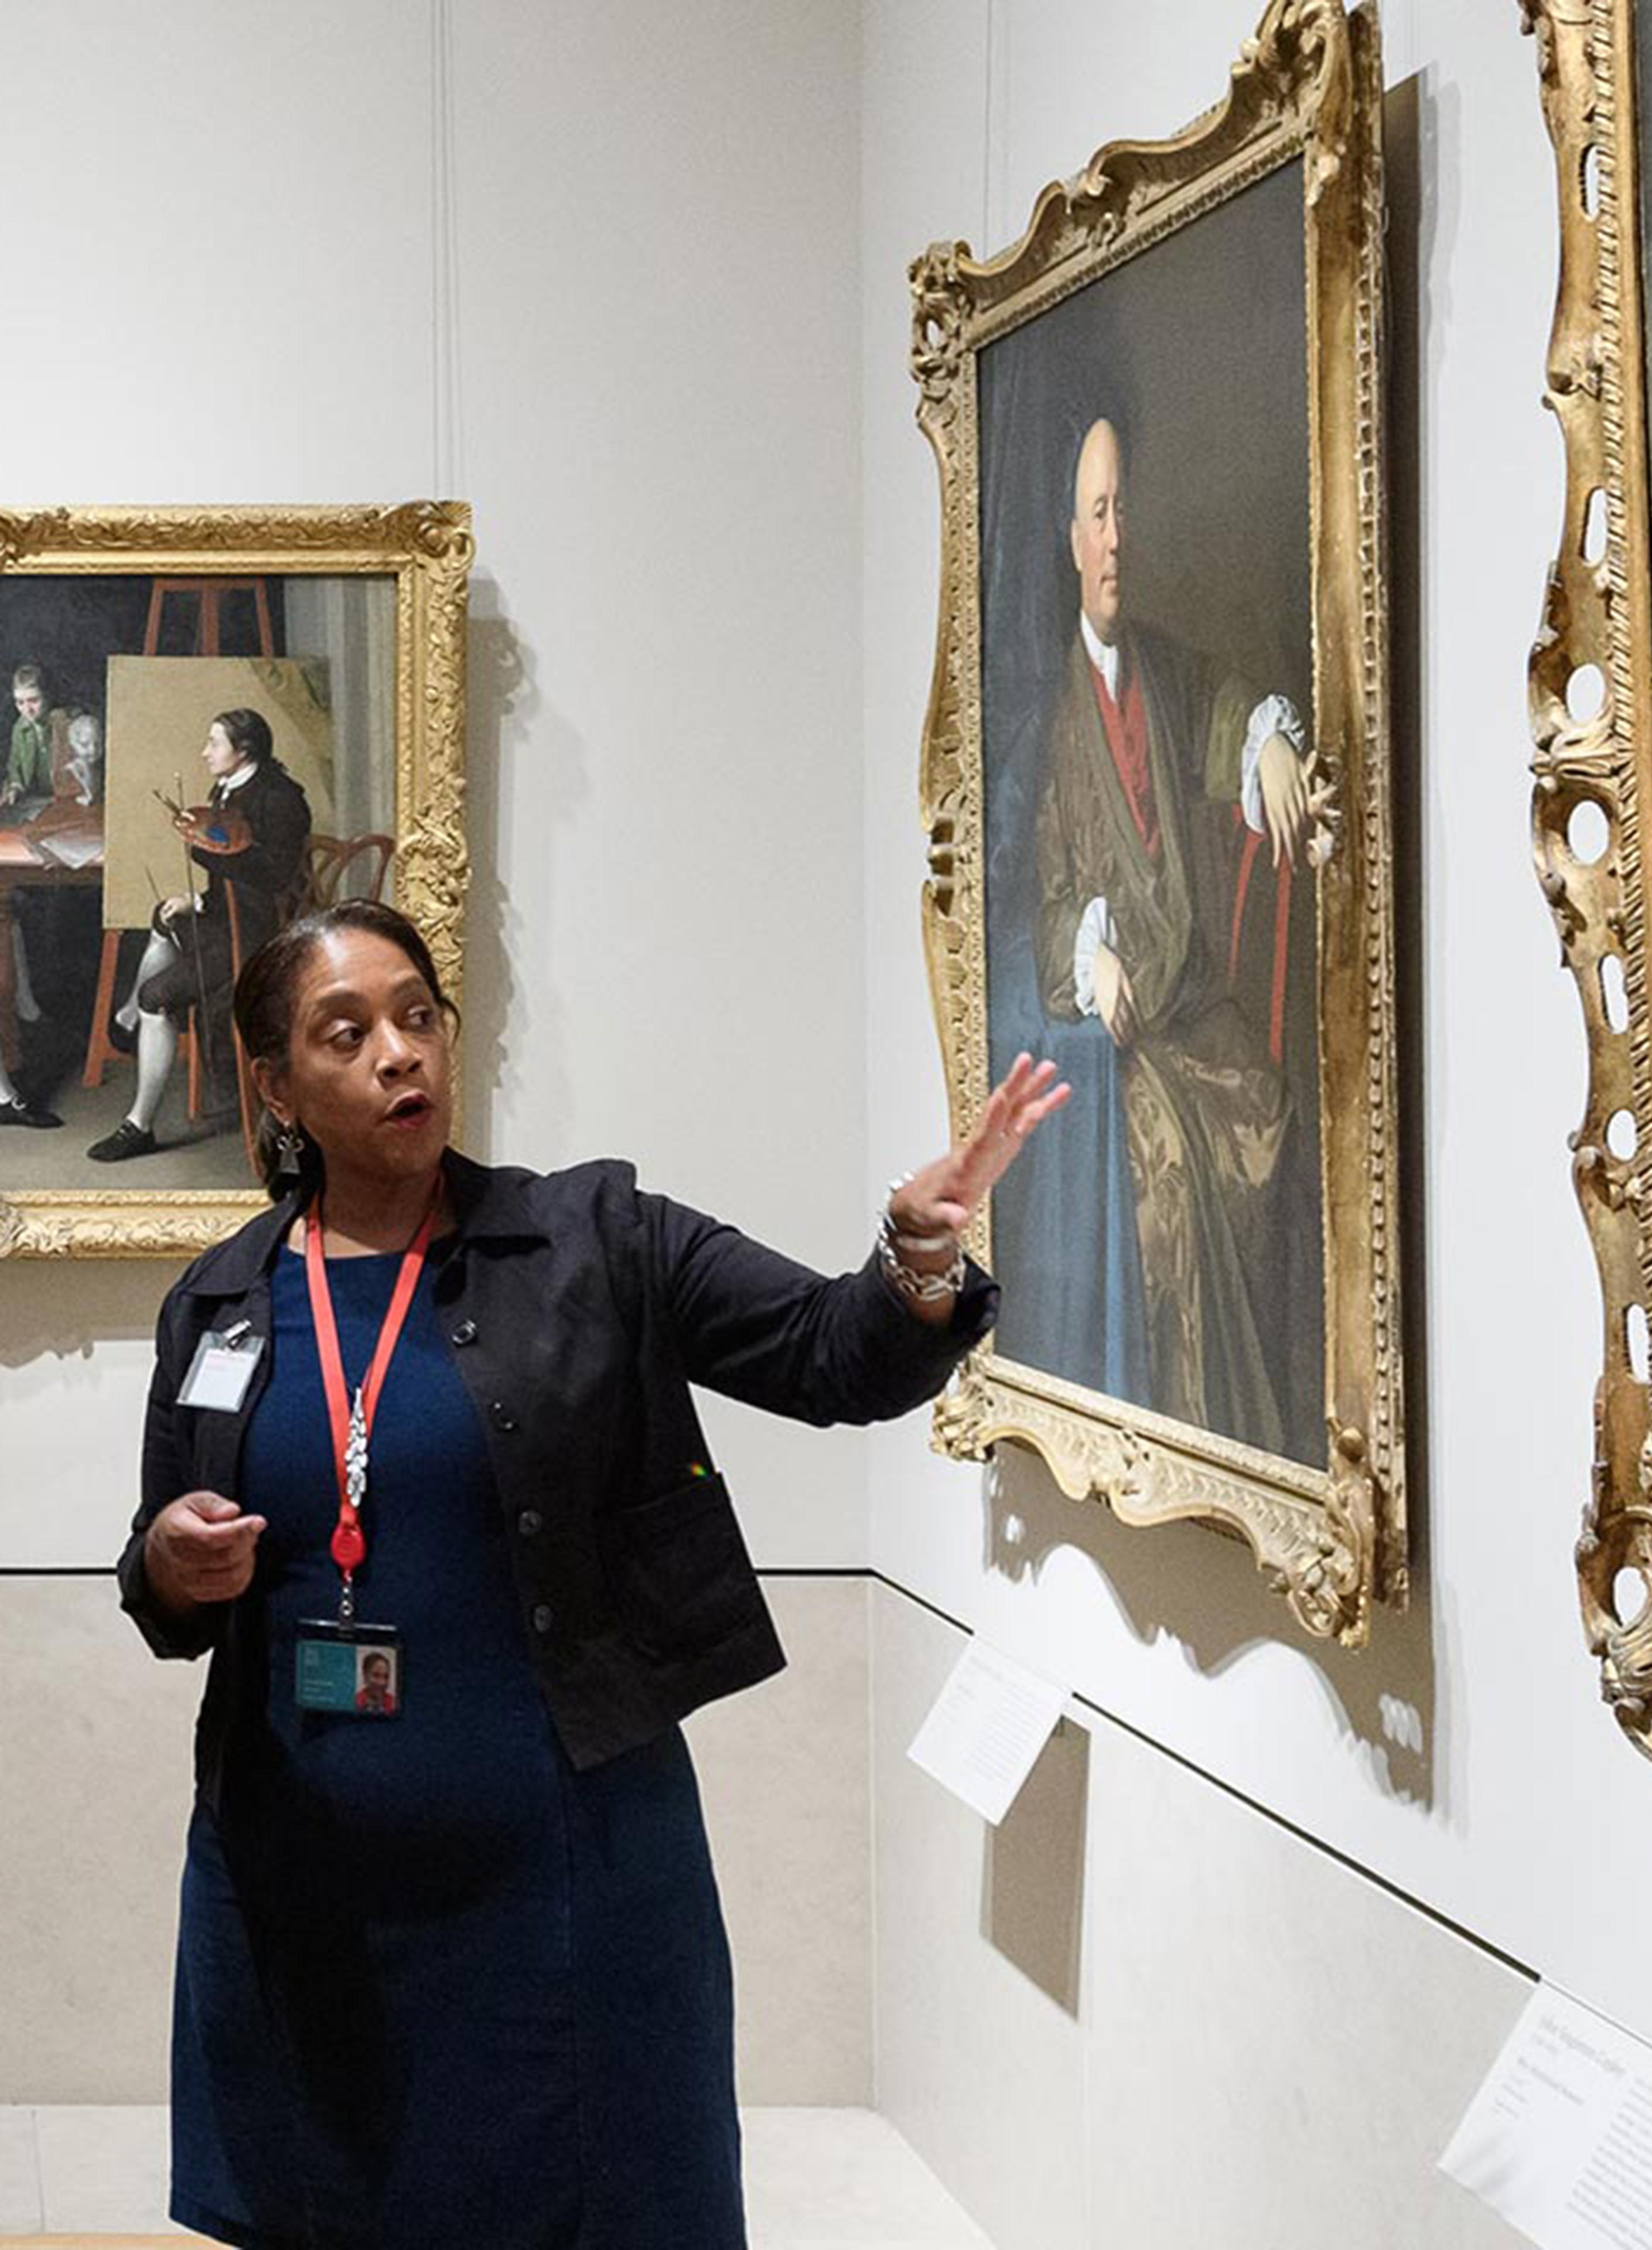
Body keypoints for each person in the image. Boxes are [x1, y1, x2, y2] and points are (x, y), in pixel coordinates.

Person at [118, 897, 1066, 2248]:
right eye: (348, 1031)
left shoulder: (596, 1240)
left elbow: (830, 1355)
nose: (399, 1052)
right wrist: (169, 1562)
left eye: (418, 1016)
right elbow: (159, 1584)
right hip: (298, 1889)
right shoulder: (220, 1300)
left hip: (563, 1884)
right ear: (276, 1087)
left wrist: (916, 1257)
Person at [1030, 412, 1326, 1459]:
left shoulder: (1159, 668)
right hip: (1125, 1040)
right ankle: (1197, 1445)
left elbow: (1227, 706)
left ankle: (1276, 1435)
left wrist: (1271, 746)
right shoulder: (1046, 711)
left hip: (1189, 1008)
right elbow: (1035, 900)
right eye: (1099, 515)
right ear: (1071, 538)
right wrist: (1091, 956)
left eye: (1126, 513)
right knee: (1174, 1185)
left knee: (1273, 1114)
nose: (1117, 538)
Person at [89, 707, 310, 1162]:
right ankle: (130, 1015)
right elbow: (227, 881)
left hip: (257, 938)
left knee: (157, 997)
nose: (205, 752)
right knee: (164, 917)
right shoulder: (227, 789)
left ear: (244, 750)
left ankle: (139, 1125)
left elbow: (274, 878)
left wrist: (210, 852)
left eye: (214, 744)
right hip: (228, 919)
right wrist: (198, 900)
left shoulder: (280, 798)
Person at [1, 663, 64, 807]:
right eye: (20, 703)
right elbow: (14, 766)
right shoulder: (20, 728)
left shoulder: (63, 722)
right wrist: (15, 787)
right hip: (37, 801)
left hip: (64, 799)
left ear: (47, 696)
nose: (27, 710)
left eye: (34, 701)